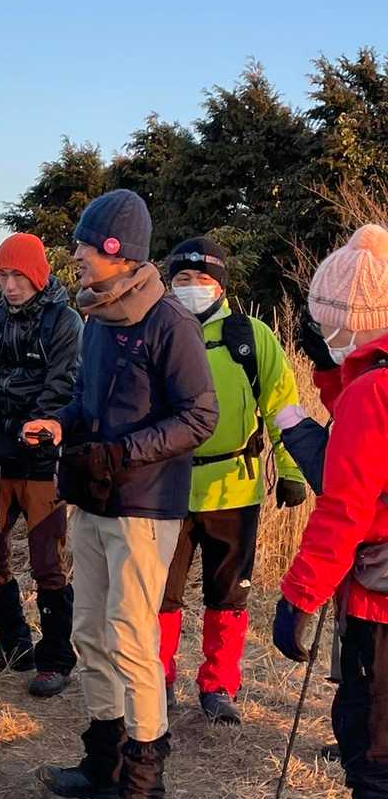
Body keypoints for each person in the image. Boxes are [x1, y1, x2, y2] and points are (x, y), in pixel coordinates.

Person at [27, 190, 218, 799]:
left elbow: (200, 415)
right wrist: (61, 424)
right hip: (93, 498)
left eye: (85, 244)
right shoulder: (99, 320)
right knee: (89, 632)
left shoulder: (169, 324)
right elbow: (86, 401)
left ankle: (143, 785)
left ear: (118, 251)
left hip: (144, 506)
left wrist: (125, 452)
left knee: (132, 640)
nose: (76, 255)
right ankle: (103, 764)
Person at [273, 223, 388, 799]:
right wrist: (330, 377)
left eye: (326, 319)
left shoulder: (374, 393)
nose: (323, 330)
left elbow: (345, 508)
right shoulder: (371, 384)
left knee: (374, 755)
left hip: (380, 607)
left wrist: (298, 597)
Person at [158, 238, 306, 725]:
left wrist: (291, 470)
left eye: (203, 279)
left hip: (234, 487)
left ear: (221, 286)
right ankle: (157, 679)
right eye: (182, 279)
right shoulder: (157, 331)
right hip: (167, 485)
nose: (192, 287)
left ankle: (218, 686)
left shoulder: (250, 336)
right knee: (160, 593)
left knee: (229, 594)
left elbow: (283, 406)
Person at [0, 232, 81, 696]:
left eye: (19, 276)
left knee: (47, 562)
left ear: (38, 275)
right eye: (3, 276)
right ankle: (14, 641)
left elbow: (63, 385)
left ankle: (56, 657)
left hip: (42, 458)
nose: (10, 286)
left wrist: (27, 435)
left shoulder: (64, 321)